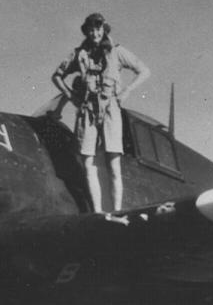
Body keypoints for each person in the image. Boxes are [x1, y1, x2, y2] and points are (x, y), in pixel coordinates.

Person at [52, 13, 150, 213]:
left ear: (103, 30)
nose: (94, 33)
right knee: (88, 163)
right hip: (87, 109)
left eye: (98, 29)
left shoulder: (117, 51)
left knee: (114, 163)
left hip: (110, 108)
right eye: (91, 30)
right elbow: (57, 76)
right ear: (87, 32)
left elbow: (144, 70)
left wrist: (127, 91)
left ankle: (116, 211)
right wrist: (71, 96)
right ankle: (97, 213)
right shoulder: (79, 54)